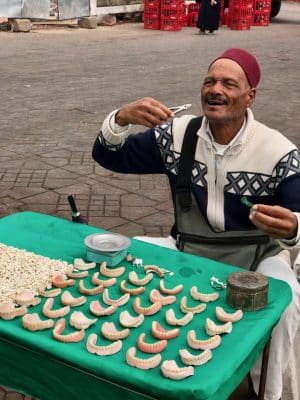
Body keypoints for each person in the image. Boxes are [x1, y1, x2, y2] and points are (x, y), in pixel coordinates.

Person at [92, 48, 300, 400]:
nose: (215, 89)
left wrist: (293, 229)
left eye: (229, 84)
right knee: (123, 262)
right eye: (210, 81)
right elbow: (107, 155)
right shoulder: (175, 135)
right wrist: (121, 118)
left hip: (257, 259)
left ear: (250, 96)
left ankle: (270, 391)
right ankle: (138, 374)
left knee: (286, 302)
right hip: (189, 249)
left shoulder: (278, 152)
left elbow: (298, 218)